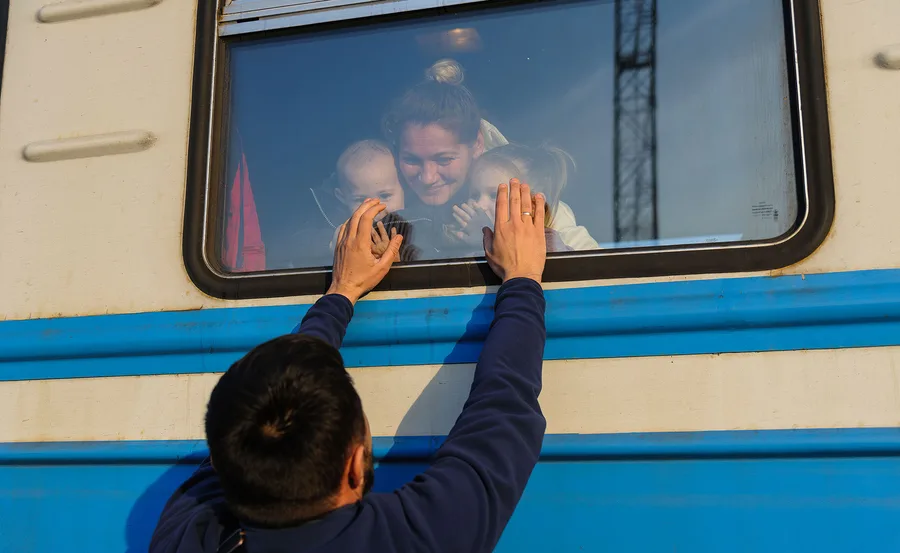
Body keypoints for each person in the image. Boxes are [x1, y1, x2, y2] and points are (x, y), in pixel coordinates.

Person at [149, 180, 549, 553]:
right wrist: (523, 275)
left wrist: (341, 291)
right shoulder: (414, 536)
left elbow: (504, 409)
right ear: (355, 468)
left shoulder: (185, 534)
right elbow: (503, 405)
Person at [381, 59, 508, 257]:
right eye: (412, 160)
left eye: (444, 160)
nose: (428, 178)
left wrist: (493, 244)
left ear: (477, 144)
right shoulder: (372, 182)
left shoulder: (521, 194)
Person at [447, 144, 600, 253]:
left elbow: (592, 273)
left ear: (532, 205)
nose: (479, 204)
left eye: (495, 195)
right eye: (474, 195)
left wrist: (488, 242)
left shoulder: (558, 239)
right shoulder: (459, 236)